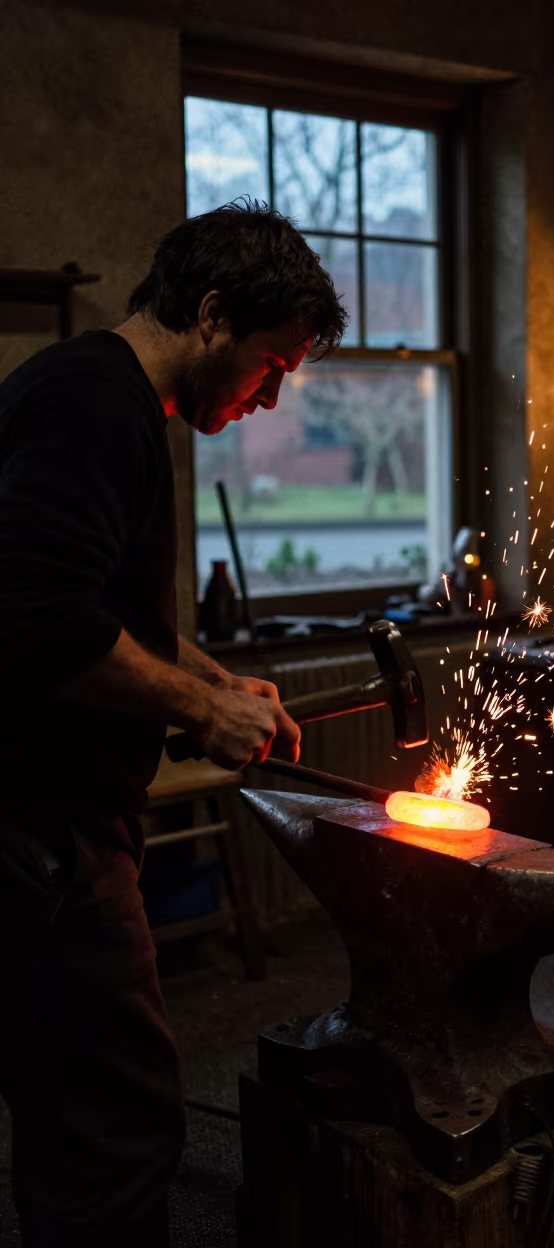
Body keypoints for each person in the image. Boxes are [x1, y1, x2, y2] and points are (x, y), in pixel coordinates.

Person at [0, 200, 348, 1246]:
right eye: (270, 365)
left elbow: (99, 606)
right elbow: (33, 617)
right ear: (209, 313)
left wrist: (215, 679)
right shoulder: (94, 405)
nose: (270, 397)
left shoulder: (96, 396)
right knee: (112, 1129)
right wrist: (199, 710)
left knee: (84, 1112)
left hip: (48, 829)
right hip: (40, 838)